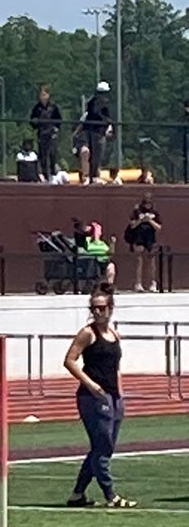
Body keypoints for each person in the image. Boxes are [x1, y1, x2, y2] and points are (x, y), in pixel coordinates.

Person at [64, 284, 135, 509]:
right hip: (92, 397)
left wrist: (120, 394)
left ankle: (77, 494)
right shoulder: (88, 333)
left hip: (113, 396)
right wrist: (91, 384)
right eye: (94, 308)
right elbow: (70, 360)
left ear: (110, 308)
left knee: (102, 448)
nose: (97, 312)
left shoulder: (114, 333)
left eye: (102, 308)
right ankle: (110, 495)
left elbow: (116, 367)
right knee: (102, 447)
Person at [74, 81, 113, 184]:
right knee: (86, 152)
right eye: (101, 93)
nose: (103, 96)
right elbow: (93, 116)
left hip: (100, 133)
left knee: (97, 156)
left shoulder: (107, 106)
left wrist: (109, 127)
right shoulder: (93, 103)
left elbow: (108, 119)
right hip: (90, 132)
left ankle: (94, 176)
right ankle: (86, 176)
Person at [125, 191, 162, 292]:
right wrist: (141, 220)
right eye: (146, 202)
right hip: (139, 238)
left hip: (150, 238)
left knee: (152, 261)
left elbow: (159, 227)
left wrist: (149, 220)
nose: (147, 205)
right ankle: (138, 283)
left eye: (149, 202)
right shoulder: (137, 211)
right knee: (139, 260)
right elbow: (132, 225)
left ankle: (153, 283)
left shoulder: (155, 212)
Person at [29, 85, 63, 181]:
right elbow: (32, 120)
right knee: (43, 155)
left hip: (51, 133)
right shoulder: (37, 108)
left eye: (44, 94)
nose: (42, 97)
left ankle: (53, 174)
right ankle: (45, 175)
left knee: (52, 153)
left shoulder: (53, 107)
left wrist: (56, 128)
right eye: (41, 95)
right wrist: (35, 123)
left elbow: (59, 119)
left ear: (48, 95)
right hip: (42, 133)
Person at [80, 220, 116, 285]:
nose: (98, 231)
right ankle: (93, 285)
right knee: (94, 264)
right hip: (92, 262)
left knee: (111, 266)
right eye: (96, 229)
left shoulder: (103, 243)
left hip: (104, 261)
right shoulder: (87, 240)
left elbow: (110, 253)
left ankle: (109, 286)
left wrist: (112, 244)